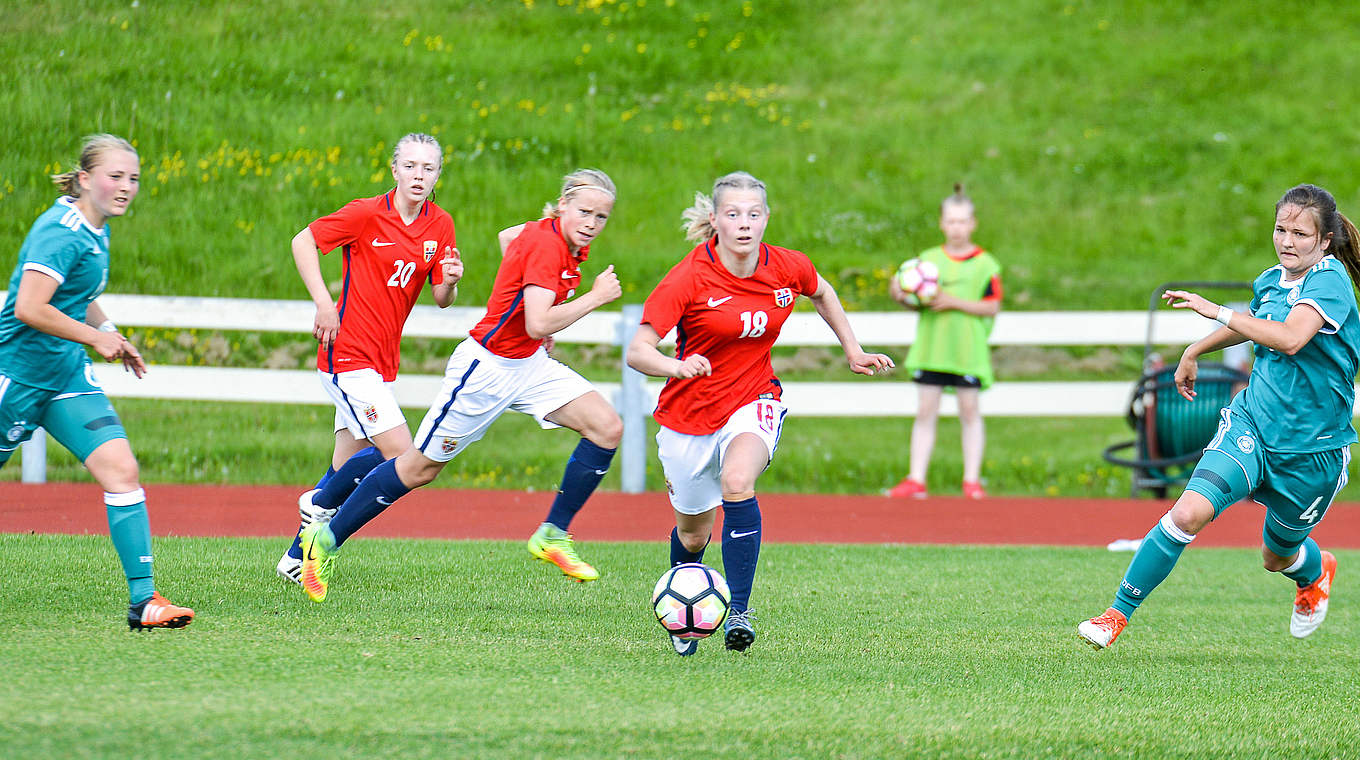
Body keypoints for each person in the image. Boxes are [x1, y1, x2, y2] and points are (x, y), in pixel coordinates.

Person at [296, 169, 624, 602]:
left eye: (601, 217)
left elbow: (511, 238)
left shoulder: (546, 235)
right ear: (563, 205)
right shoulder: (547, 246)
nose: (591, 224)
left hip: (530, 365)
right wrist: (596, 297)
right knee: (418, 468)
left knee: (607, 427)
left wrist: (526, 293)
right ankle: (324, 540)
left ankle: (553, 534)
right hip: (486, 370)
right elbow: (538, 321)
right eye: (584, 212)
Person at [1078, 183, 1359, 649]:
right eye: (1280, 229)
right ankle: (1115, 615)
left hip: (1313, 452)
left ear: (1325, 241)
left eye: (1301, 235)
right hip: (1252, 424)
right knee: (1187, 512)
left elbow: (1289, 337)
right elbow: (1259, 317)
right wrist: (1196, 348)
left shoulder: (1329, 282)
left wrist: (1216, 313)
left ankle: (1316, 571)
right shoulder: (1273, 279)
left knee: (1276, 556)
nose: (1287, 242)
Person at [626, 171, 893, 655]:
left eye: (754, 214)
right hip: (688, 414)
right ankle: (685, 618)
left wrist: (852, 350)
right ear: (715, 220)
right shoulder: (689, 276)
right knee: (693, 532)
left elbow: (823, 292)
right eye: (733, 214)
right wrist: (676, 365)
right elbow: (638, 351)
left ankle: (740, 613)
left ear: (766, 218)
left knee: (737, 483)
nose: (744, 224)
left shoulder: (787, 266)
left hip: (755, 399)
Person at [0, 135, 193, 631]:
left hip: (63, 375)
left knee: (121, 471)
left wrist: (107, 332)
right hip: (16, 376)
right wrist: (94, 338)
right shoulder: (62, 232)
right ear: (85, 178)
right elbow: (29, 307)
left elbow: (76, 294)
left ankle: (144, 602)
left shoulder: (94, 226)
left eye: (133, 179)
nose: (126, 187)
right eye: (115, 176)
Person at [274, 133, 462, 585]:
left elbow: (440, 298)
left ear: (438, 175)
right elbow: (303, 241)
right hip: (347, 354)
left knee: (348, 462)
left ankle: (295, 558)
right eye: (411, 166)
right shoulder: (365, 213)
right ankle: (319, 509)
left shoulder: (440, 225)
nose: (419, 175)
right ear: (394, 170)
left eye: (429, 168)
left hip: (380, 362)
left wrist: (452, 281)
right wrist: (323, 302)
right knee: (399, 453)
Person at [887, 184, 1002, 500]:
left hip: (967, 351)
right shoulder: (927, 260)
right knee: (925, 410)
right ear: (941, 223)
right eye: (951, 221)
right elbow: (915, 300)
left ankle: (972, 480)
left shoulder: (985, 264)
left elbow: (992, 305)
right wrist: (900, 293)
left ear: (973, 223)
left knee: (969, 410)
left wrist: (953, 301)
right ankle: (916, 479)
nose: (956, 228)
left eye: (963, 221)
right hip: (932, 349)